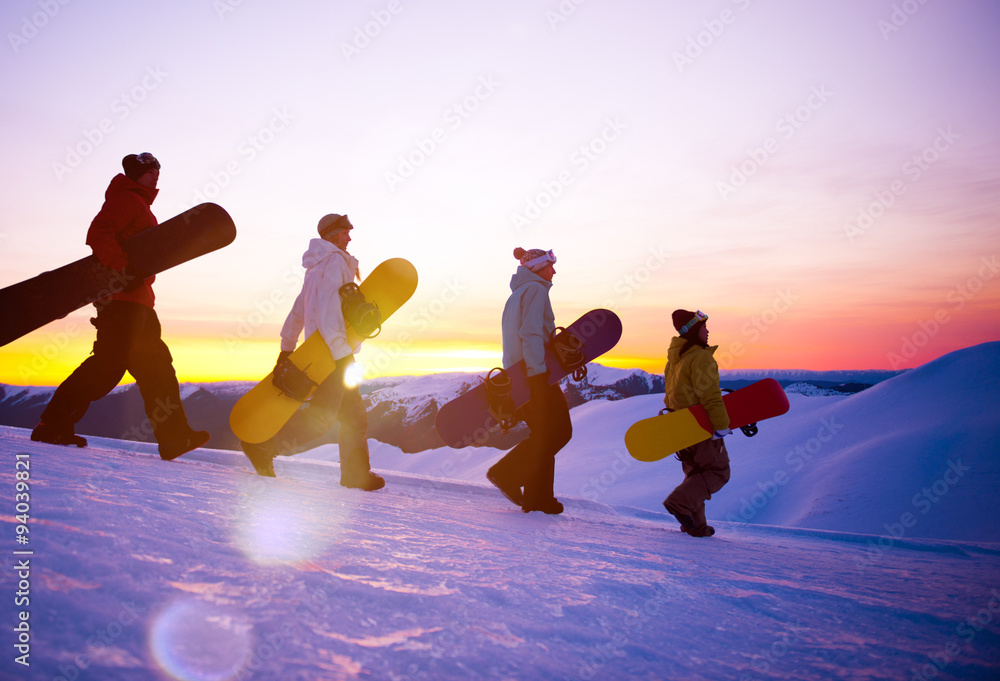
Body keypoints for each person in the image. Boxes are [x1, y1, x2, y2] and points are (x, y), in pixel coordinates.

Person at [31, 153, 210, 460]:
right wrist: (121, 270)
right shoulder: (127, 200)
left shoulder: (139, 205)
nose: (156, 176)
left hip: (136, 304)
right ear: (135, 174)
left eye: (158, 171)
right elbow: (98, 233)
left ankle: (174, 438)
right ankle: (52, 424)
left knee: (152, 371)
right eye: (150, 171)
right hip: (124, 305)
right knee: (111, 369)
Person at [240, 213, 384, 491]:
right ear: (331, 235)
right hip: (334, 354)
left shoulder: (315, 267)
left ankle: (355, 474)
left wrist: (287, 346)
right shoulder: (334, 262)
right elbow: (331, 312)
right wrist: (342, 355)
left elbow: (298, 310)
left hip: (323, 352)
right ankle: (263, 446)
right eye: (344, 232)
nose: (349, 237)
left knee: (352, 416)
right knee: (324, 418)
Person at [486, 247, 572, 514]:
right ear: (536, 268)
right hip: (534, 374)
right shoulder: (535, 290)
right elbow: (531, 333)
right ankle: (506, 473)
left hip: (518, 375)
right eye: (550, 265)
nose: (554, 271)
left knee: (544, 434)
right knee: (559, 431)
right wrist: (537, 375)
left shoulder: (517, 295)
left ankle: (539, 498)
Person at [661, 309, 732, 537]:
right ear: (693, 330)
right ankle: (679, 502)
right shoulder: (700, 357)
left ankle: (695, 525)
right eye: (704, 327)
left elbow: (670, 396)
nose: (708, 331)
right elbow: (710, 396)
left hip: (681, 427)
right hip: (700, 426)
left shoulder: (675, 358)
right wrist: (721, 427)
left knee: (695, 476)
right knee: (718, 472)